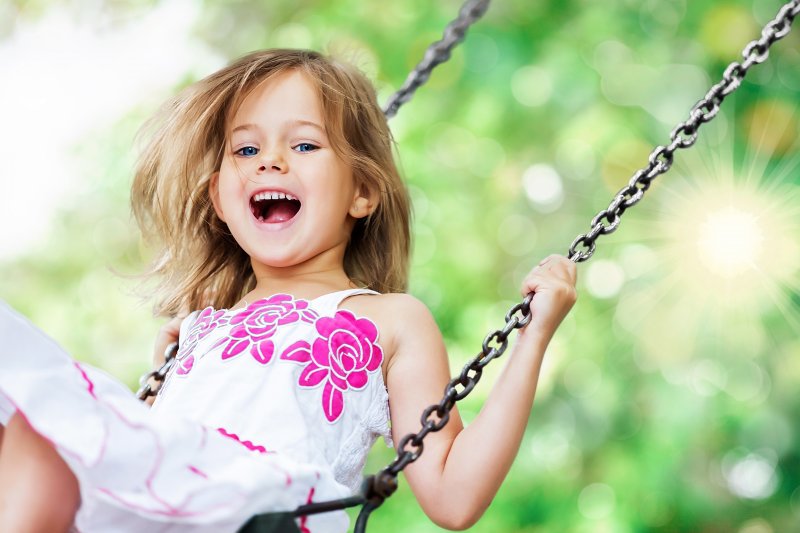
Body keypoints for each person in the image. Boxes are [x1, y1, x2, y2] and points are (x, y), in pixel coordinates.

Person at [0, 49, 577, 533]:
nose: (270, 161)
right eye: (246, 150)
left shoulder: (388, 320)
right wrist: (162, 383)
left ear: (363, 194)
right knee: (39, 418)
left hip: (272, 510)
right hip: (173, 508)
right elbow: (141, 457)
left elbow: (453, 497)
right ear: (219, 199)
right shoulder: (199, 328)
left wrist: (533, 338)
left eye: (304, 145)